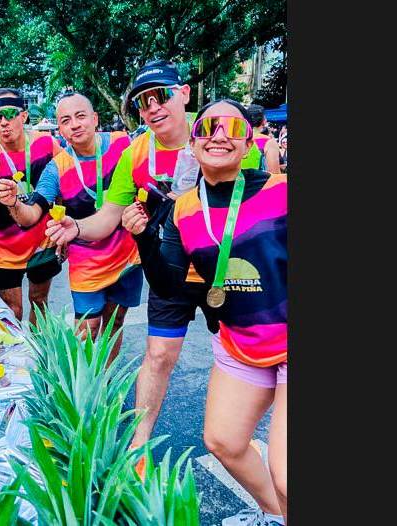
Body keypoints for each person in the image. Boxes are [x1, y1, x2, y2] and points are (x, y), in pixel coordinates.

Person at [122, 99, 287, 526]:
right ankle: (276, 514)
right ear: (192, 147)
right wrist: (143, 238)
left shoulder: (281, 191)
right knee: (224, 441)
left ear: (247, 141)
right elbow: (170, 286)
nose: (218, 134)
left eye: (231, 126)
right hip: (240, 342)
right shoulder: (184, 209)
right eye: (208, 127)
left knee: (287, 473)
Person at [45, 60, 220, 457]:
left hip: (223, 275)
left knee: (245, 363)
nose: (154, 108)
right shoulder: (137, 150)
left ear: (186, 94)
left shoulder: (216, 136)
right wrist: (76, 228)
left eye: (163, 96)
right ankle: (137, 452)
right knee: (158, 356)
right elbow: (109, 214)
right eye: (144, 102)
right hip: (168, 270)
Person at [0, 92, 139, 361]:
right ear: (59, 128)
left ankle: (104, 386)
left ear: (95, 119)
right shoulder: (57, 167)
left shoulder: (123, 146)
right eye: (65, 120)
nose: (74, 124)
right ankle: (77, 384)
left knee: (115, 322)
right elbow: (31, 214)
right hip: (87, 259)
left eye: (81, 116)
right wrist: (14, 202)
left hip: (127, 254)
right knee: (87, 327)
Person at [0, 88, 63, 323]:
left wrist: (63, 229)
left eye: (10, 114)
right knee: (12, 311)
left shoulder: (47, 144)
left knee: (39, 303)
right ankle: (19, 359)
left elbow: (65, 188)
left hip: (43, 241)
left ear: (24, 115)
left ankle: (40, 357)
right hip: (4, 246)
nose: (3, 122)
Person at [241, 105, 281, 174]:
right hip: (258, 183)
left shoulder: (238, 139)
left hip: (237, 183)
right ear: (263, 120)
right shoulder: (268, 142)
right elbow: (274, 174)